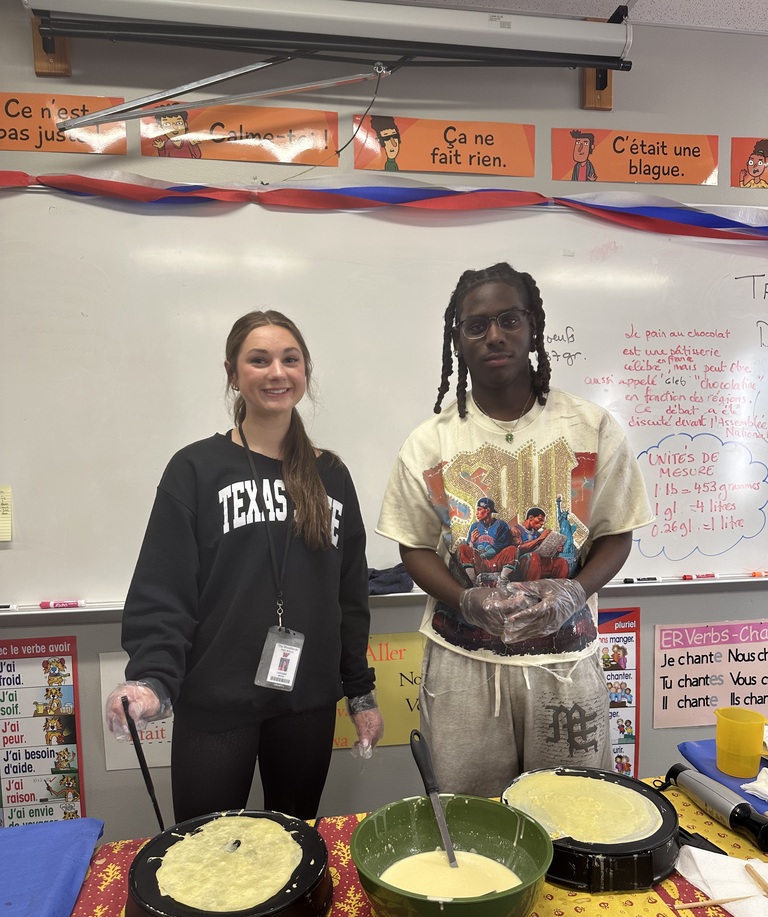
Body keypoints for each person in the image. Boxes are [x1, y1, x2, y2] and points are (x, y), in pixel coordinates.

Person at [377, 261, 652, 797]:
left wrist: (574, 590)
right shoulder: (430, 443)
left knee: (573, 816)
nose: (495, 334)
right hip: (463, 666)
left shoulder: (590, 428)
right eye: (476, 325)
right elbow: (414, 548)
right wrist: (466, 599)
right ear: (457, 340)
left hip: (565, 664)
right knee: (467, 815)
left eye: (509, 319)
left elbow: (617, 533)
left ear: (533, 328)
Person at [105, 309, 383, 824]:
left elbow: (348, 597)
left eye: (289, 359)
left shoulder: (332, 475)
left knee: (293, 847)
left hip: (306, 703)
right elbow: (164, 587)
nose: (276, 372)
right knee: (205, 856)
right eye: (259, 360)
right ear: (233, 373)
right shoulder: (195, 469)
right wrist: (150, 678)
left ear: (305, 371)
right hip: (216, 703)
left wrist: (360, 693)